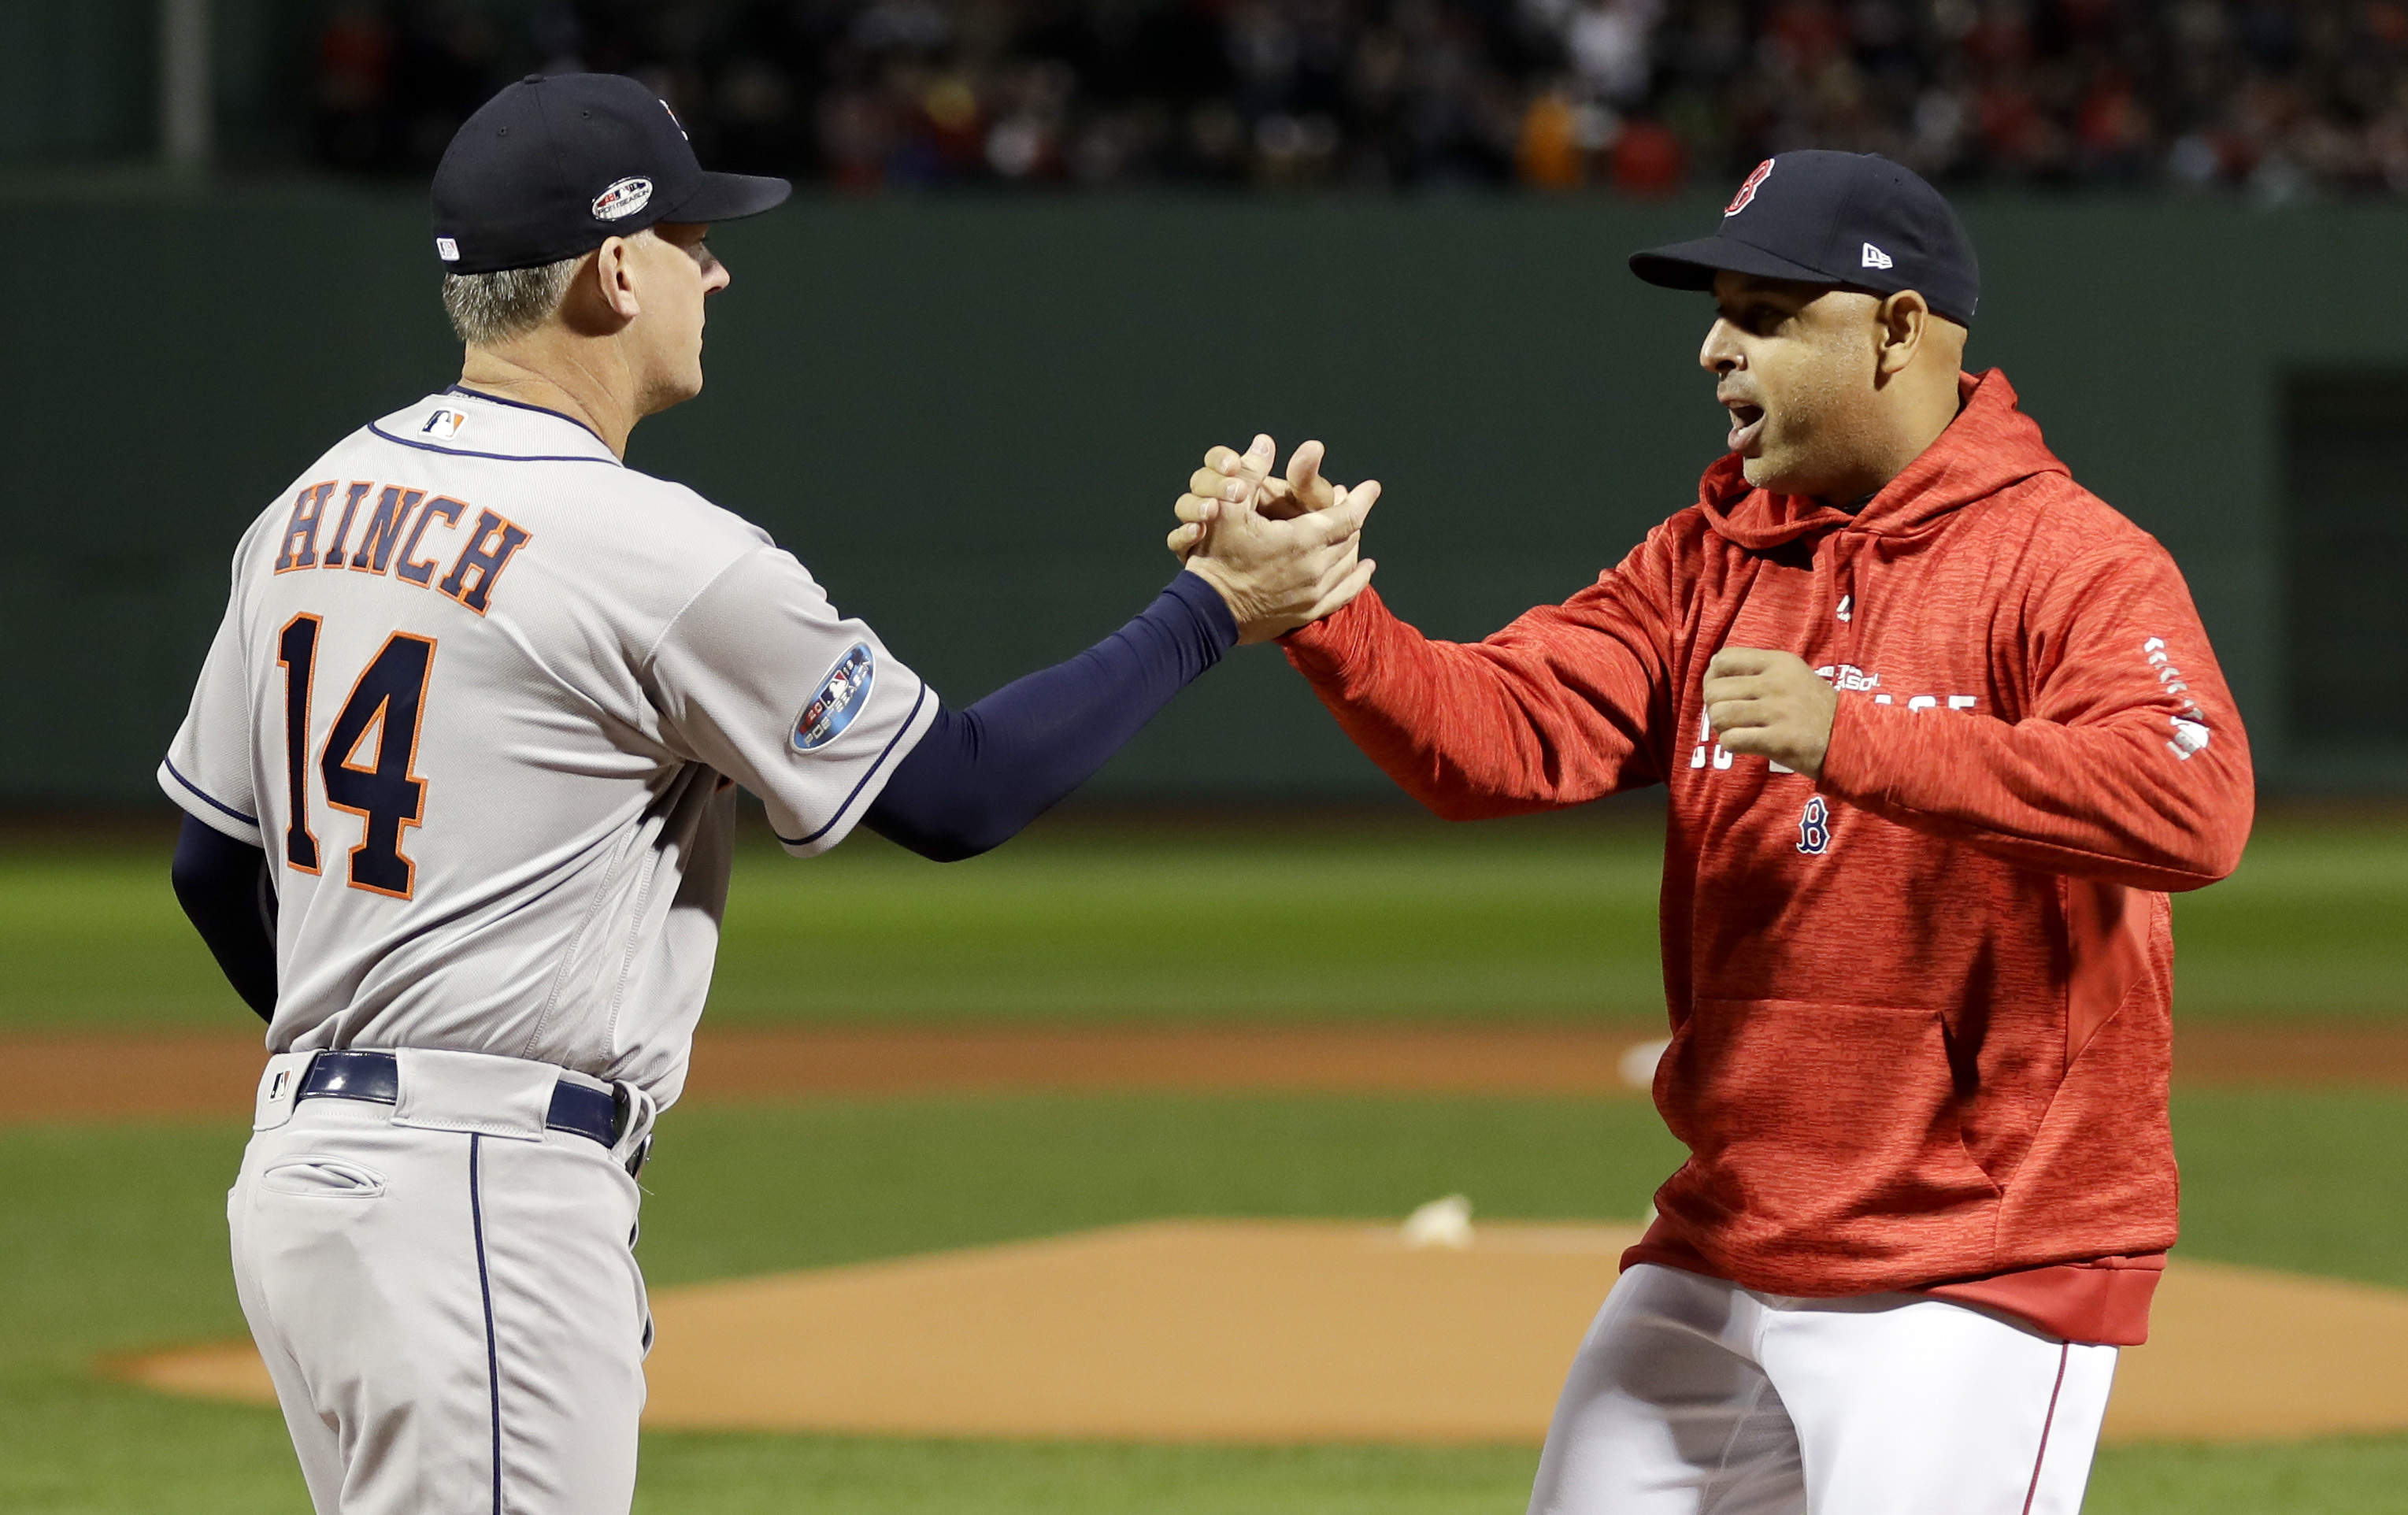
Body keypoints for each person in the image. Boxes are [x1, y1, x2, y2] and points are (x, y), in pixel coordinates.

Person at [160, 72, 1373, 1515]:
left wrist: (371, 1083)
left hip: (307, 1186)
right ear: (615, 269)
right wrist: (1211, 607)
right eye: (691, 237)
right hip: (479, 1196)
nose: (716, 268)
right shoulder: (647, 547)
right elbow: (957, 794)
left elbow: (208, 868)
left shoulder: (307, 508)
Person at [1171, 150, 2254, 1512]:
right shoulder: (1704, 559)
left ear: (1897, 330)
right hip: (1721, 1238)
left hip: (1972, 1264)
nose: (1710, 349)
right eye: (1716, 311)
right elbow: (1498, 736)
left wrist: (1853, 737)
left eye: (1760, 313)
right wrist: (1327, 617)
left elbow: (2192, 802)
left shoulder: (2069, 561)